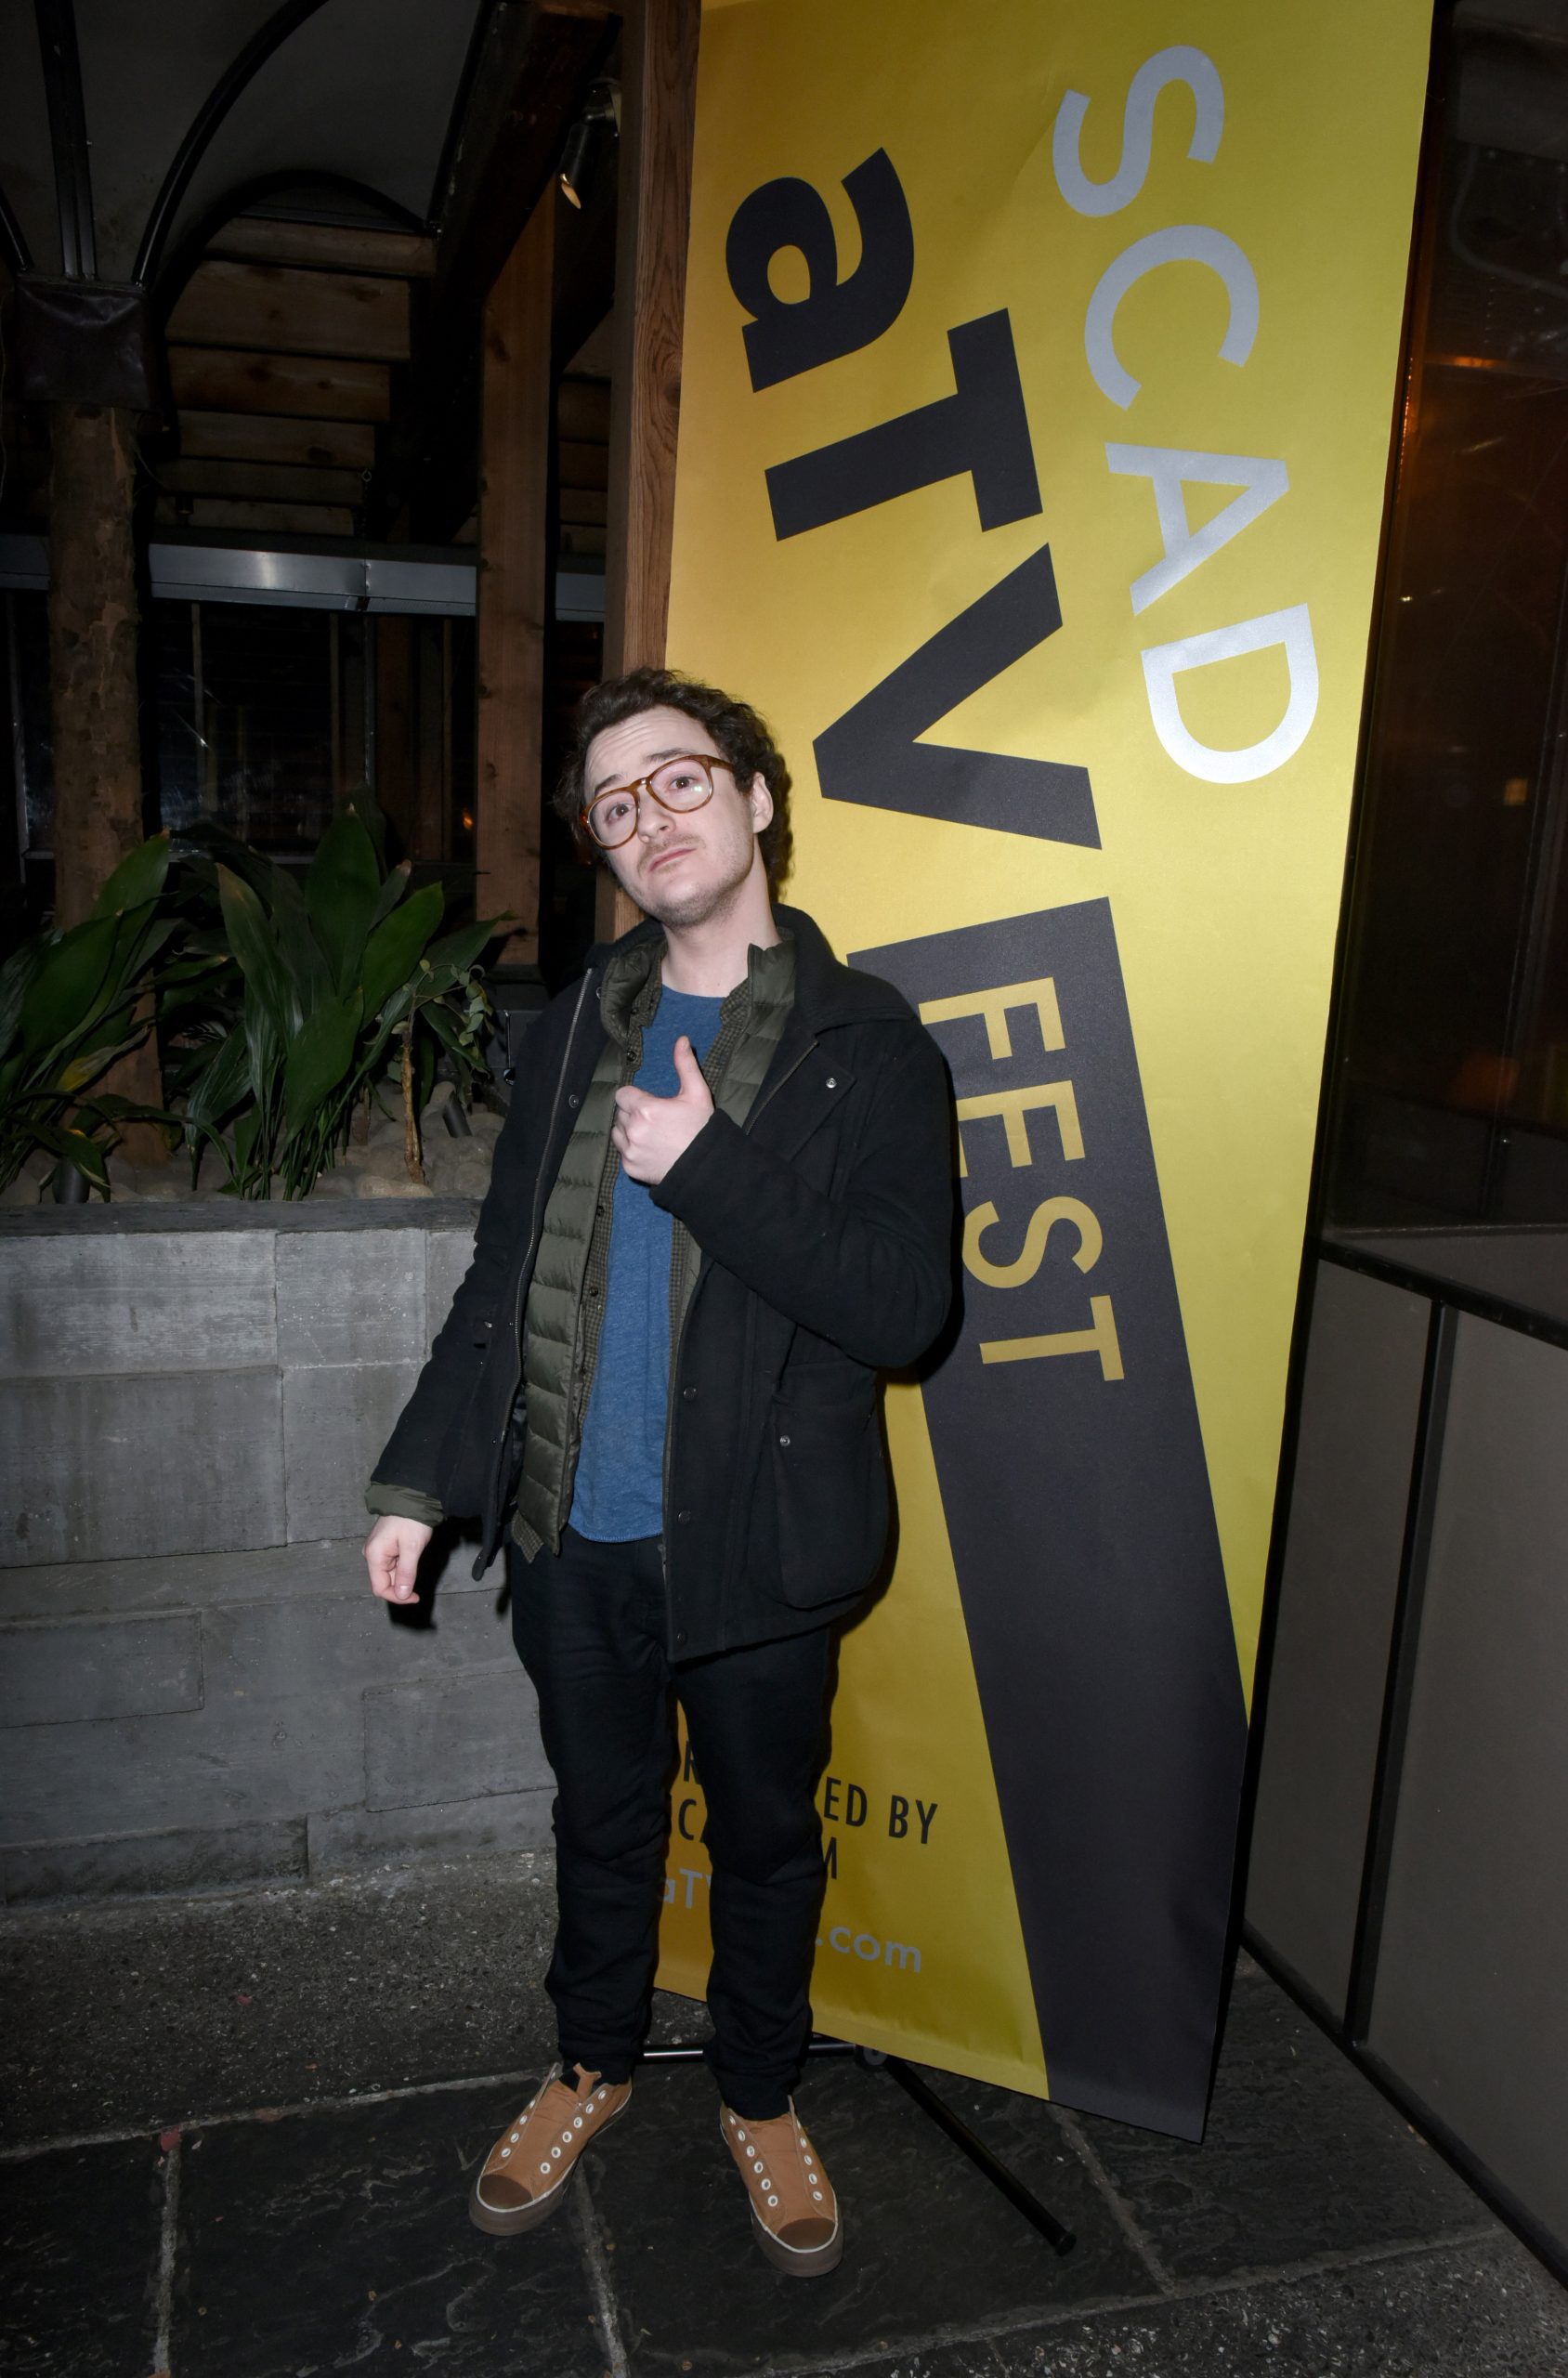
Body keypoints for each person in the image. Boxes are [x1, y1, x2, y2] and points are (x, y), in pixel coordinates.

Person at [362, 667, 953, 2277]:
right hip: (572, 1527)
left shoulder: (867, 1043)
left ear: (756, 799)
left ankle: (760, 2092)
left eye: (680, 779)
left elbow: (905, 1310)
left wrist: (707, 1168)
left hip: (759, 1543)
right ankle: (591, 2064)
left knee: (765, 1842)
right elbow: (501, 1284)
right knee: (604, 1822)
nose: (648, 818)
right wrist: (419, 1484)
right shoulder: (571, 1031)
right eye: (615, 803)